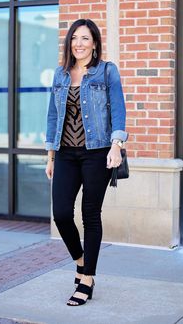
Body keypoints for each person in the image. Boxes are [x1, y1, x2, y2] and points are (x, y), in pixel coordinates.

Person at [45, 18, 128, 306]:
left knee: (90, 215)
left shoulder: (107, 72)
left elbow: (118, 111)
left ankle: (87, 279)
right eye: (74, 38)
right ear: (69, 43)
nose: (78, 44)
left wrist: (116, 146)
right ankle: (80, 261)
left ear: (94, 43)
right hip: (65, 153)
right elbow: (53, 117)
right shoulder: (60, 74)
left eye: (85, 38)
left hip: (98, 152)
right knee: (62, 214)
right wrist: (51, 154)